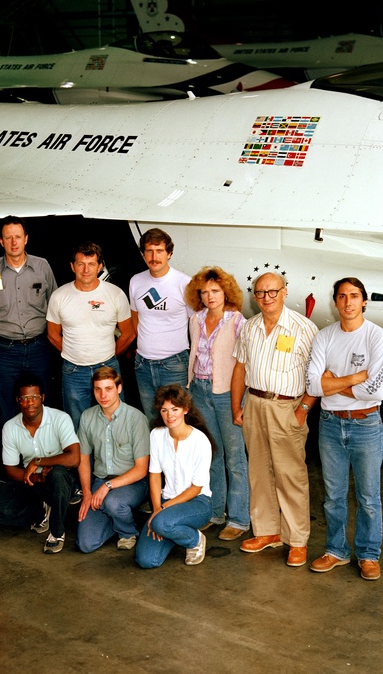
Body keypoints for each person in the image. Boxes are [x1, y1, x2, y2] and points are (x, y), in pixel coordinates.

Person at [305, 277, 383, 581]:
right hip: (329, 425)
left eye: (354, 296)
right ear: (335, 302)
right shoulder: (324, 337)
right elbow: (313, 384)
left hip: (366, 425)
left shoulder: (377, 337)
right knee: (333, 496)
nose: (348, 302)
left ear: (364, 301)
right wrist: (354, 379)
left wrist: (332, 384)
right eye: (342, 296)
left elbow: (376, 392)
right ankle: (335, 550)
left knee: (368, 497)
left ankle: (369, 554)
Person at [230, 272, 318, 566]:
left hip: (287, 408)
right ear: (254, 297)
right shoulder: (249, 327)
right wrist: (237, 407)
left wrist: (303, 409)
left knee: (290, 475)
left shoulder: (303, 328)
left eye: (272, 292)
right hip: (254, 404)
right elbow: (240, 368)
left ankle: (297, 540)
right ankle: (268, 532)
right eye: (260, 293)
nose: (266, 298)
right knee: (259, 472)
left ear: (284, 292)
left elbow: (317, 375)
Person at [0, 216, 57, 452]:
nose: (13, 242)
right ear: (1, 241)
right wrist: (1, 329)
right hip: (4, 351)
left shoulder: (42, 267)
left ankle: (45, 460)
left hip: (39, 347)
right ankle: (8, 467)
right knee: (4, 408)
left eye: (18, 237)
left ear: (26, 239)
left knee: (42, 405)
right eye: (8, 237)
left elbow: (55, 303)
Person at [0, 373, 80, 554]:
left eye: (34, 397)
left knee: (57, 474)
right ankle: (43, 512)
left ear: (42, 397)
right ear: (18, 400)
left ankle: (57, 532)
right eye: (25, 398)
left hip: (60, 480)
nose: (30, 403)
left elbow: (74, 458)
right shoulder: (10, 427)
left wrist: (39, 461)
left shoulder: (60, 418)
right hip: (32, 481)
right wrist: (36, 477)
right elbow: (10, 470)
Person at [185, 267, 249, 541]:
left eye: (216, 291)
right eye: (205, 291)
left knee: (235, 458)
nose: (210, 296)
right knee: (212, 454)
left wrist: (238, 401)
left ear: (226, 293)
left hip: (226, 393)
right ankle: (215, 512)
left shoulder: (237, 321)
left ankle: (239, 519)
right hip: (199, 390)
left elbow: (244, 364)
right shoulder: (196, 318)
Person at [46, 241, 135, 429]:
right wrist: (74, 353)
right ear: (72, 266)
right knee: (79, 426)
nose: (86, 270)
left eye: (91, 264)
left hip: (108, 367)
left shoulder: (115, 294)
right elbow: (53, 335)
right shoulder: (59, 296)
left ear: (100, 266)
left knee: (116, 421)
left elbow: (128, 334)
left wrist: (108, 355)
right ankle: (86, 460)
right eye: (80, 264)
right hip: (73, 371)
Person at [134, 384, 213, 569]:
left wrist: (163, 509)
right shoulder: (156, 435)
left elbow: (196, 488)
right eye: (164, 410)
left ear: (185, 410)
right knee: (147, 560)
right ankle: (172, 529)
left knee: (162, 523)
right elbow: (154, 475)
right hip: (166, 502)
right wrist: (156, 510)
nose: (170, 415)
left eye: (175, 409)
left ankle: (194, 540)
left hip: (197, 502)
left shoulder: (200, 441)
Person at [76, 367, 150, 553]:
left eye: (108, 388)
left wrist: (107, 486)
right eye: (98, 389)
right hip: (100, 481)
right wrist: (86, 493)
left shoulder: (136, 418)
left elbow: (141, 469)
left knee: (114, 503)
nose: (103, 395)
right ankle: (116, 519)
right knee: (86, 544)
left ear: (119, 388)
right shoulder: (87, 417)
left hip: (132, 482)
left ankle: (128, 532)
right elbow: (83, 458)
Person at [128, 228, 192, 418]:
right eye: (149, 251)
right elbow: (134, 317)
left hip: (174, 365)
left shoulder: (184, 283)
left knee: (177, 420)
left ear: (169, 253)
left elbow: (195, 323)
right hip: (143, 365)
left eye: (159, 251)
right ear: (143, 253)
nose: (154, 256)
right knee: (152, 420)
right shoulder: (136, 281)